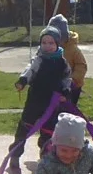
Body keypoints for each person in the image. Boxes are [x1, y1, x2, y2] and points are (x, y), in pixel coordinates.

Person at [12, 21, 73, 163]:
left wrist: (65, 92)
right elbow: (30, 70)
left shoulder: (62, 62)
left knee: (49, 130)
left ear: (57, 44)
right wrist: (22, 81)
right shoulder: (38, 59)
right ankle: (15, 154)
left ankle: (46, 156)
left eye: (51, 43)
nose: (47, 46)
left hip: (52, 102)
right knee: (25, 126)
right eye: (44, 43)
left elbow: (66, 79)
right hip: (35, 100)